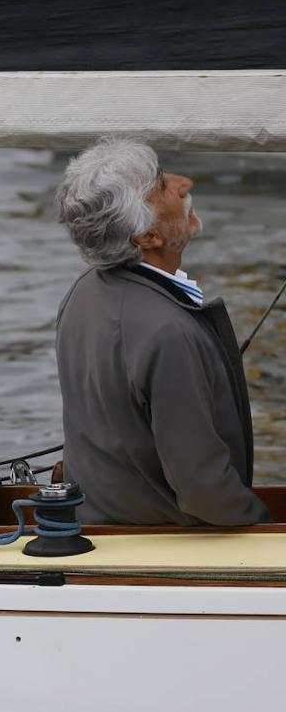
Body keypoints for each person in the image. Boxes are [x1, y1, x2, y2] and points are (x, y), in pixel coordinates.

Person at [54, 138, 270, 526]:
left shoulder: (81, 291)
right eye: (162, 185)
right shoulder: (167, 332)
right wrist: (263, 526)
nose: (184, 183)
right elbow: (205, 489)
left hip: (103, 528)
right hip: (168, 542)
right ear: (147, 237)